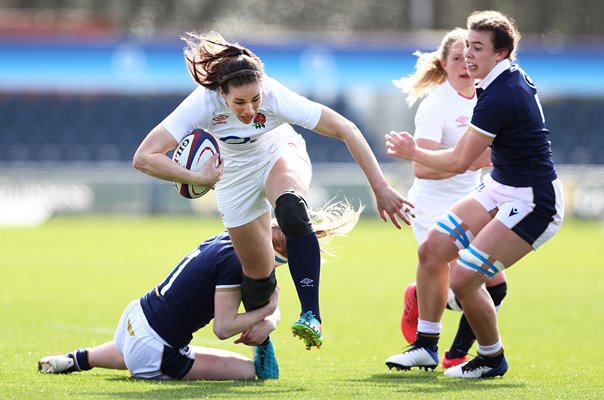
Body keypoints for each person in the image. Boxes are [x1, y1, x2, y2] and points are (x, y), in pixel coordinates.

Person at [132, 31, 413, 350]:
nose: (250, 109)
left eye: (255, 99)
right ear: (221, 93)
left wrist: (381, 188)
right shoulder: (202, 102)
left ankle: (311, 315)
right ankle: (263, 335)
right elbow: (144, 157)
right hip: (232, 177)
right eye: (239, 102)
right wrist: (196, 178)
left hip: (277, 152)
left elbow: (346, 129)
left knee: (292, 209)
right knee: (257, 277)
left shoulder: (277, 96)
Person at [384, 10, 564, 378]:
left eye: (478, 48)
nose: (469, 54)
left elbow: (458, 160)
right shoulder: (497, 81)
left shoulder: (502, 94)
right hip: (500, 187)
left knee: (466, 279)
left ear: (501, 54)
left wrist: (412, 151)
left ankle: (490, 359)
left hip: (532, 202)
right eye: (467, 45)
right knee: (433, 248)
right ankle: (426, 346)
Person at [38, 200, 364, 380]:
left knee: (135, 352)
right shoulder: (241, 263)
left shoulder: (229, 236)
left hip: (134, 319)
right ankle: (83, 359)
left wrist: (269, 315)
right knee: (257, 373)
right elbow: (222, 329)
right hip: (156, 349)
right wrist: (266, 313)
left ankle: (75, 359)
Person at [390, 28, 508, 369]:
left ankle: (453, 350)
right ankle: (434, 347)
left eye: (468, 57)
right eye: (455, 58)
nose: (463, 64)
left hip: (473, 202)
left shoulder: (485, 97)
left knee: (494, 287)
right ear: (443, 64)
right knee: (472, 280)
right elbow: (422, 168)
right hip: (432, 209)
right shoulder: (436, 104)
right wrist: (473, 161)